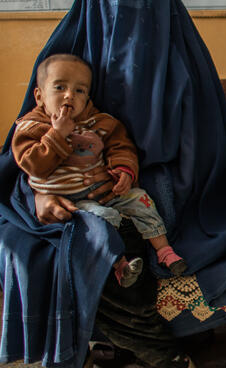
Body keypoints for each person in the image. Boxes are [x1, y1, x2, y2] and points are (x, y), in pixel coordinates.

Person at [0, 0, 226, 368]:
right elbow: (20, 156)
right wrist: (38, 197)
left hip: (175, 186)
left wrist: (133, 174)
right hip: (69, 187)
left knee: (135, 239)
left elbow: (205, 157)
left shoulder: (185, 63)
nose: (122, 7)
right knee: (59, 241)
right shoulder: (64, 67)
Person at [12, 53, 188, 288]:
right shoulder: (31, 128)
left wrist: (124, 171)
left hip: (105, 189)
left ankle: (164, 251)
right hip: (72, 201)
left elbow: (120, 146)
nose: (69, 95)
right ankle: (120, 266)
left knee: (141, 200)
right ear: (39, 96)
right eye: (60, 87)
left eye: (80, 90)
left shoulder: (101, 122)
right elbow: (35, 166)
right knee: (105, 220)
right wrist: (58, 134)